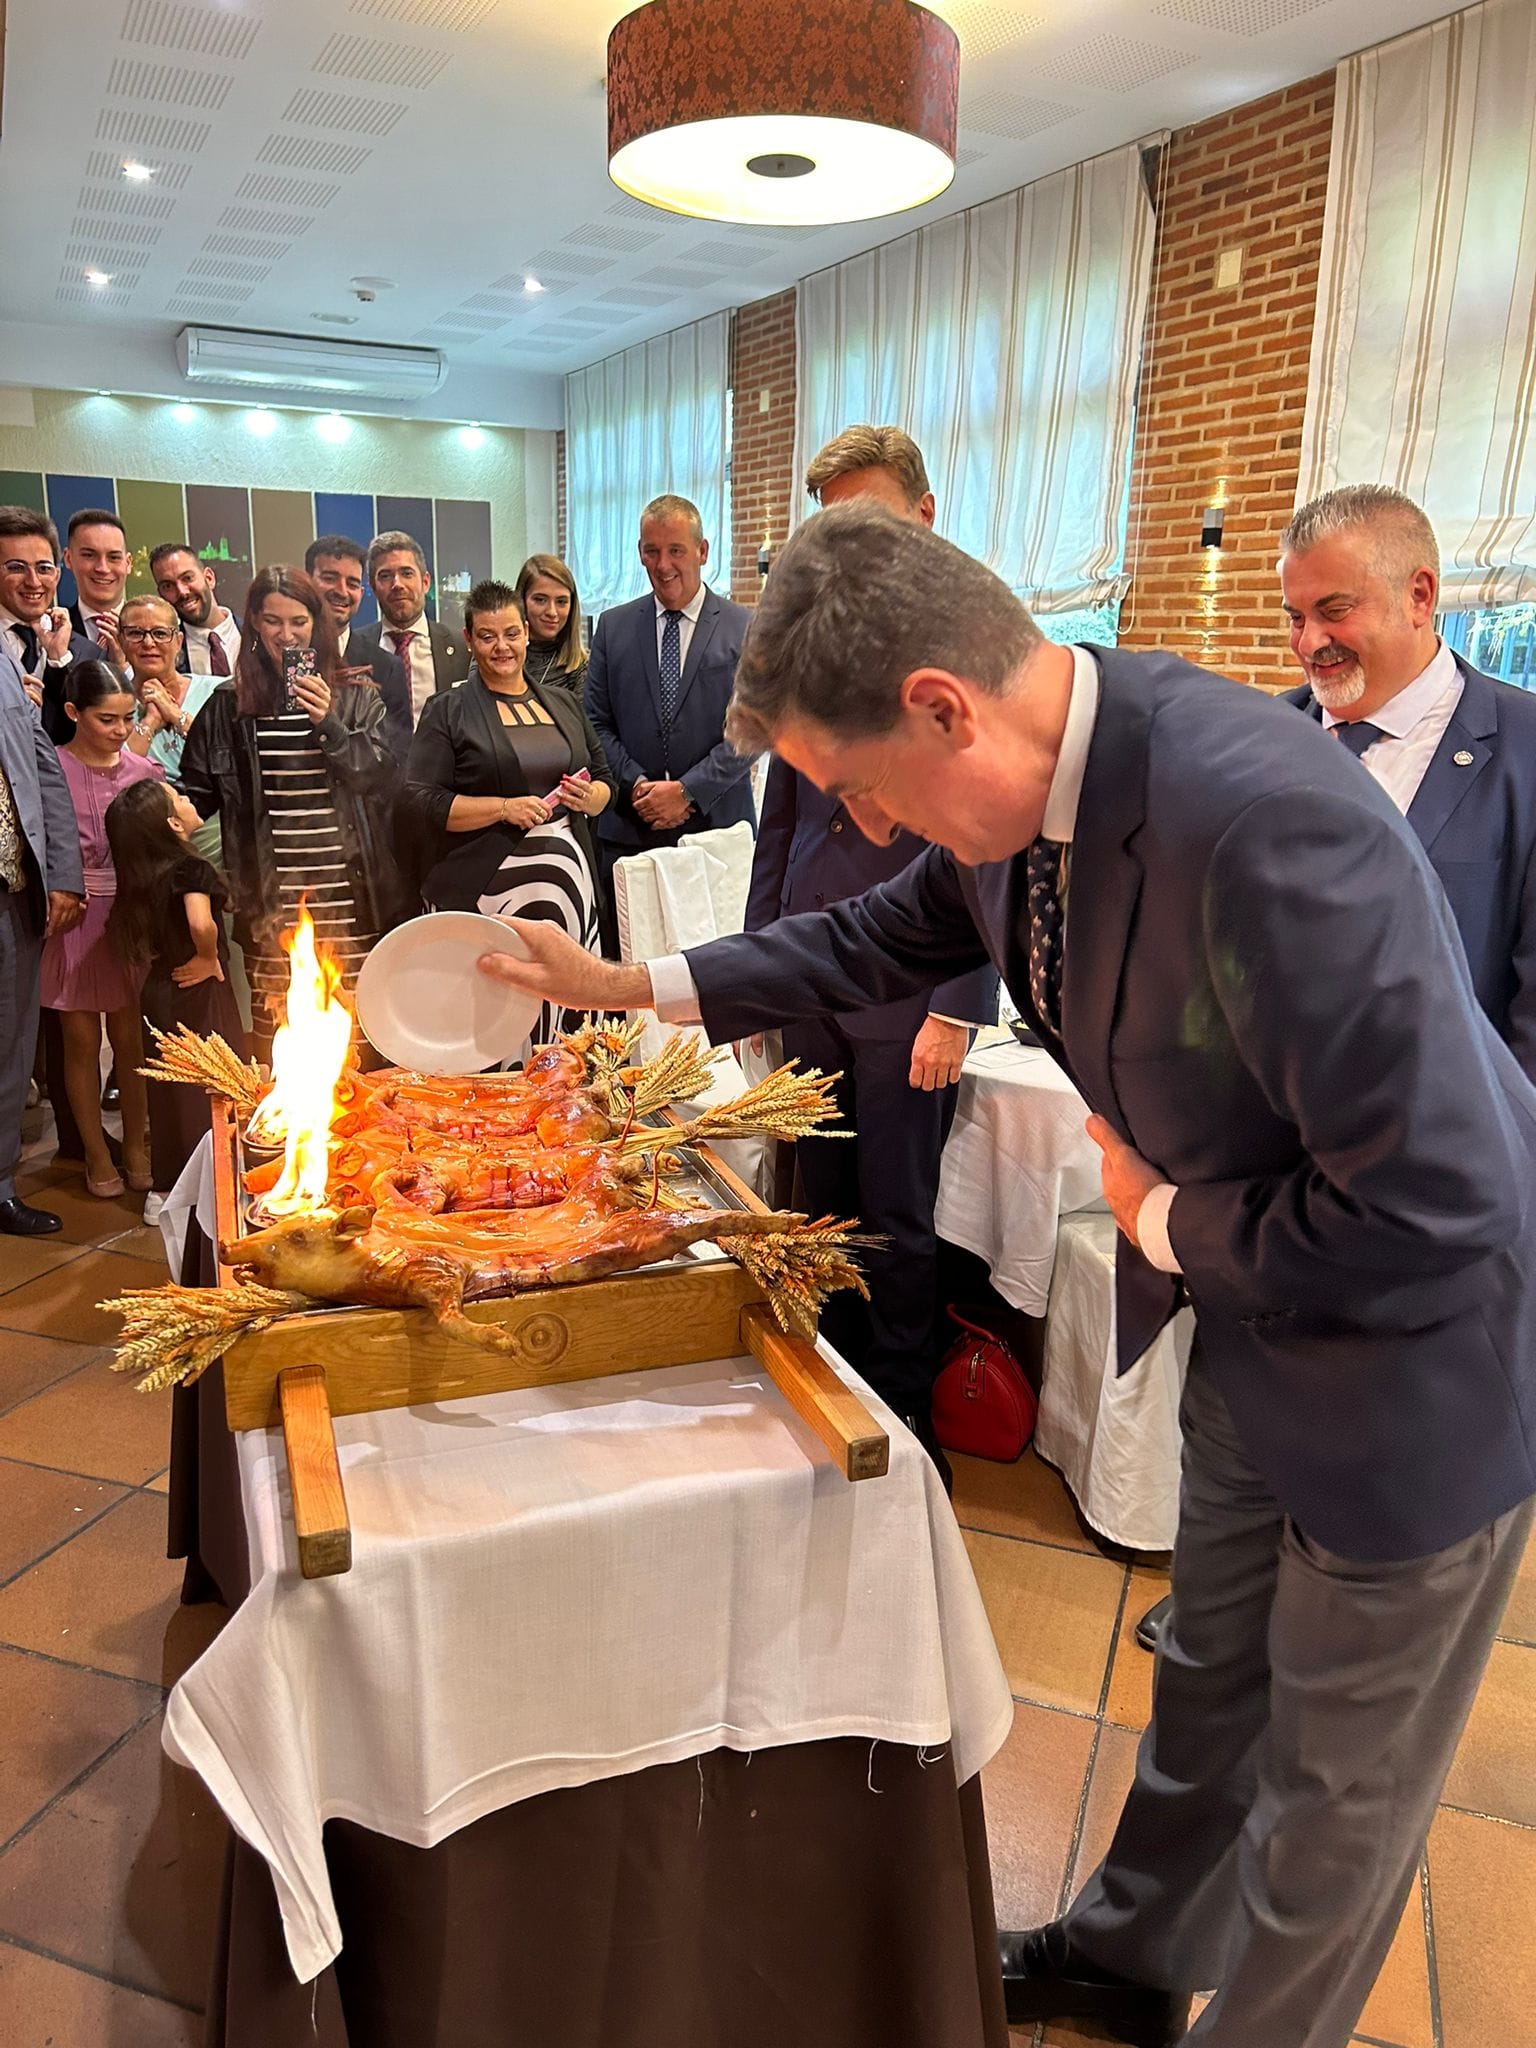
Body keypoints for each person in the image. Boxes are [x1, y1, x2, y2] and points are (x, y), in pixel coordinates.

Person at [480, 502, 1536, 2048]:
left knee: (1333, 1808)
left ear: (942, 709)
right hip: (1255, 1330)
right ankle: (1128, 1957)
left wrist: (1165, 1226)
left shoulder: (1259, 818)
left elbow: (1452, 1203)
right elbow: (868, 934)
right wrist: (636, 982)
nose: (869, 823)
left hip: (1410, 1371)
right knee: (1210, 1688)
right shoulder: (1033, 787)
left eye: (860, 789)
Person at [1137, 480, 1536, 1658]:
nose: (1308, 641)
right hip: (1257, 1234)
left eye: (1334, 609)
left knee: (1361, 1624)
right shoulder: (1250, 742)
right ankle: (1220, 1621)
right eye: (1293, 615)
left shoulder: (1526, 750)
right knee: (1226, 1551)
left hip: (1425, 1243)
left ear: (1421, 594)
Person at [747, 425, 996, 1469]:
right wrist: (760, 972)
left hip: (910, 984)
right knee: (815, 1196)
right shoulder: (819, 644)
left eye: (867, 517)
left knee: (895, 1214)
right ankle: (824, 1388)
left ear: (924, 515)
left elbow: (994, 841)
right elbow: (779, 825)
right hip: (811, 970)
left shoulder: (981, 646)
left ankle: (898, 1424)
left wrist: (960, 1002)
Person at [179, 565, 405, 1063]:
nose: (287, 635)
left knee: (361, 1046)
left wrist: (330, 724)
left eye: (299, 622)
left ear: (316, 624)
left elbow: (382, 779)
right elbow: (192, 797)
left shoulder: (356, 695)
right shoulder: (228, 706)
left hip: (350, 900)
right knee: (283, 1048)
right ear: (254, 625)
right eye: (273, 621)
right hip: (271, 906)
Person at [405, 579, 611, 1055]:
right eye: (488, 636)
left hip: (570, 896)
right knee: (500, 1021)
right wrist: (503, 807)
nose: (503, 647)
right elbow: (420, 800)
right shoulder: (448, 710)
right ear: (469, 639)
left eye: (512, 634)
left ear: (526, 633)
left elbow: (605, 781)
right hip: (489, 895)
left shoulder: (562, 702)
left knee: (565, 1029)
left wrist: (590, 797)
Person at [584, 494, 756, 911]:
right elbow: (594, 722)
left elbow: (755, 727)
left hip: (716, 833)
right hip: (629, 832)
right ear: (640, 553)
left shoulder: (745, 628)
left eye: (676, 550)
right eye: (652, 551)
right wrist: (639, 786)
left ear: (702, 551)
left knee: (719, 951)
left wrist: (687, 791)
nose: (663, 565)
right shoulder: (613, 627)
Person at [41, 661, 162, 1198]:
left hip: (129, 915)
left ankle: (136, 1144)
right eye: (106, 719)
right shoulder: (52, 768)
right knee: (81, 1040)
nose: (120, 730)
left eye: (127, 718)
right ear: (73, 712)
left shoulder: (143, 771)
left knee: (131, 1038)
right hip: (72, 913)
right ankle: (94, 1151)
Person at [106, 776, 248, 1201]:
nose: (187, 798)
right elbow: (200, 922)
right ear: (172, 823)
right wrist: (207, 956)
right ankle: (214, 1186)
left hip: (160, 989)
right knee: (213, 1086)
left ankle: (166, 1186)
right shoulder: (191, 869)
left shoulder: (141, 875)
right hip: (199, 990)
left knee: (169, 1093)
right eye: (178, 797)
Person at [0, 647, 85, 1236]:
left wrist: (63, 874)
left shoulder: (4, 664)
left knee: (10, 1046)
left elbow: (42, 766)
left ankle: (0, 1186)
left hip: (11, 891)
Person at [304, 534, 412, 761]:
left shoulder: (386, 667)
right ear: (306, 583)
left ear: (361, 594)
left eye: (352, 583)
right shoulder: (282, 656)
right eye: (330, 578)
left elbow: (396, 759)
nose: (342, 591)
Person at [350, 531, 470, 725]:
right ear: (373, 587)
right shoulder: (354, 650)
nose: (397, 584)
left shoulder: (461, 648)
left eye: (406, 573)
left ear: (425, 582)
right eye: (385, 576)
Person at [0, 505, 97, 744]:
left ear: (57, 575)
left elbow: (91, 737)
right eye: (16, 568)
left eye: (43, 568)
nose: (33, 582)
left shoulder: (88, 653)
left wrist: (59, 660)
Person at [119, 595, 215, 781]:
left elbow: (227, 758)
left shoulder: (215, 691)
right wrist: (151, 721)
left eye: (160, 633)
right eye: (135, 633)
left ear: (178, 642)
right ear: (121, 641)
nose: (148, 643)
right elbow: (117, 777)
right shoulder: (113, 705)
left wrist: (174, 714)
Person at [150, 543, 241, 677]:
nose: (182, 592)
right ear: (161, 595)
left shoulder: (257, 637)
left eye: (187, 578)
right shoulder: (165, 653)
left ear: (209, 578)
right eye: (168, 586)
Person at [64, 507, 131, 663]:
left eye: (113, 557)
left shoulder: (155, 631)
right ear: (68, 559)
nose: (102, 568)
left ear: (128, 563)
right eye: (89, 555)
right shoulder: (53, 631)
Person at [516, 553, 588, 696]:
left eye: (561, 602)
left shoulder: (582, 668)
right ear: (521, 601)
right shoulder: (499, 655)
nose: (552, 612)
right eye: (540, 600)